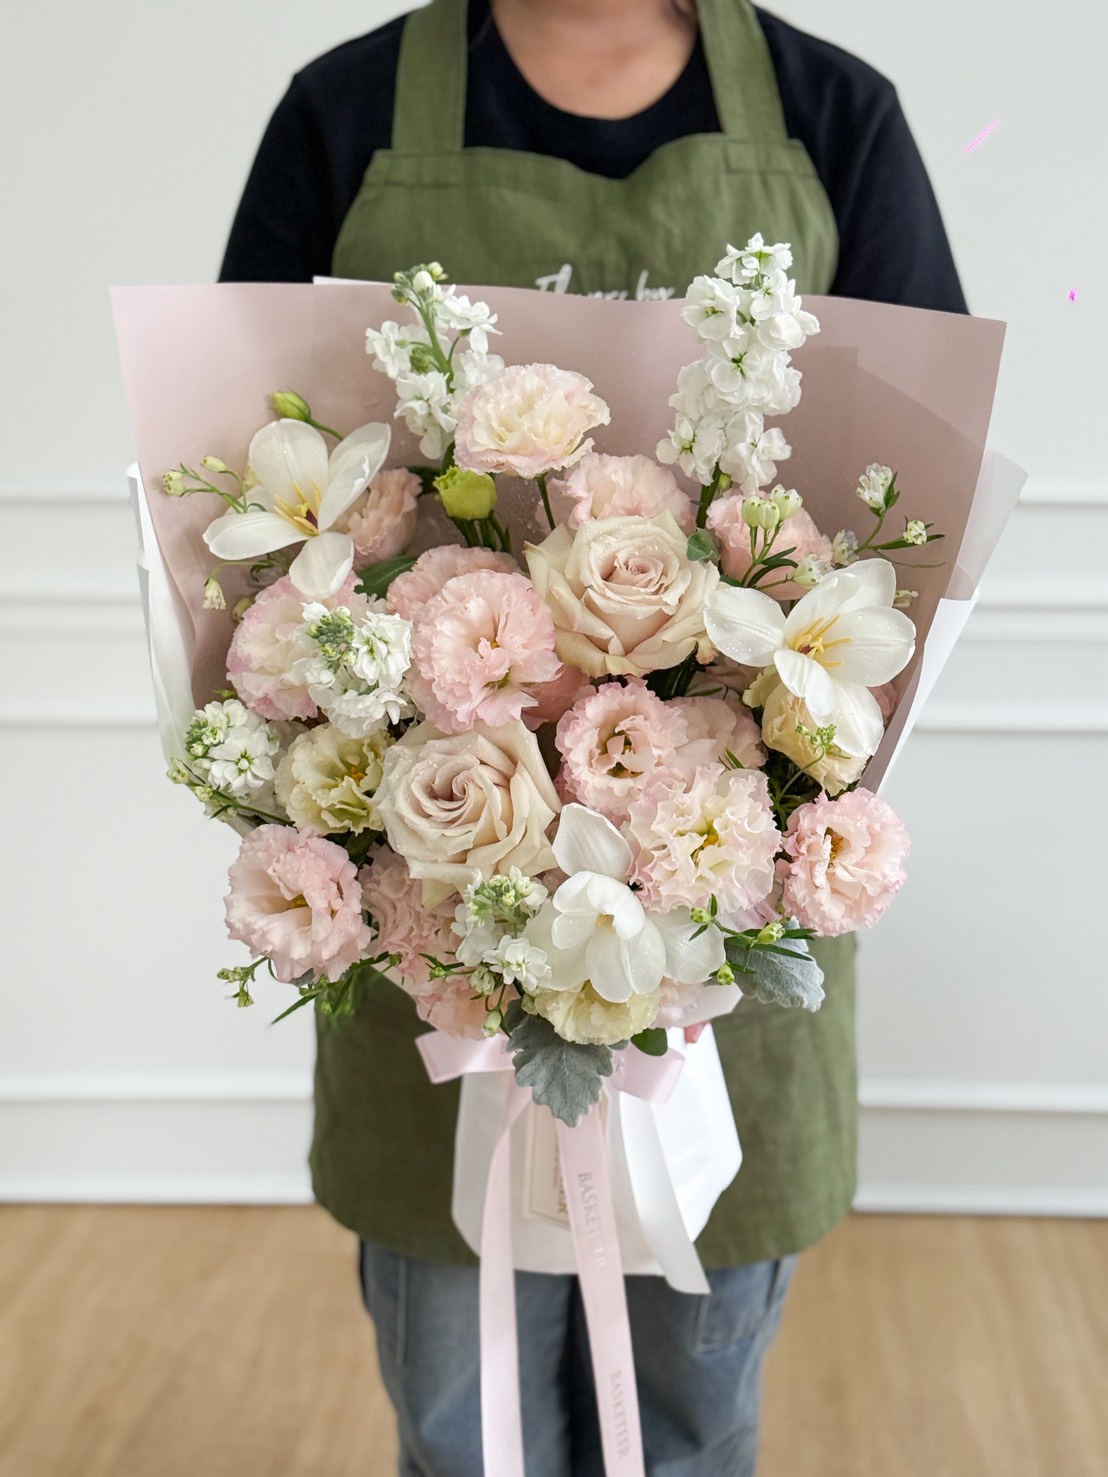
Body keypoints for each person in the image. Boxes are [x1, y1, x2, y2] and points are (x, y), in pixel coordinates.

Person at [221, 2, 967, 1473]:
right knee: (458, 1407)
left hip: (726, 933)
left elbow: (920, 509)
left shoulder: (838, 117)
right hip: (424, 894)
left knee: (694, 1409)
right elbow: (238, 476)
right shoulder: (344, 109)